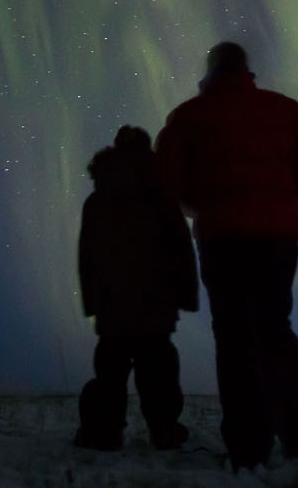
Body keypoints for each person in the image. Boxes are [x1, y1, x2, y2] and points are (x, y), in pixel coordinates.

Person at [155, 41, 298, 470]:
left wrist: (200, 207)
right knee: (276, 332)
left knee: (235, 338)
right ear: (245, 70)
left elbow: (168, 179)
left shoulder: (189, 116)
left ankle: (249, 447)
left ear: (210, 72)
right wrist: (283, 203)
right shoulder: (286, 110)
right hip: (278, 239)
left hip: (224, 237)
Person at [75, 125, 199, 451]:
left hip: (112, 303)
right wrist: (186, 294)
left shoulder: (97, 200)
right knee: (158, 369)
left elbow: (87, 256)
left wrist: (93, 301)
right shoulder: (162, 197)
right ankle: (164, 430)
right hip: (156, 302)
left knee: (111, 370)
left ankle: (103, 433)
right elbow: (181, 249)